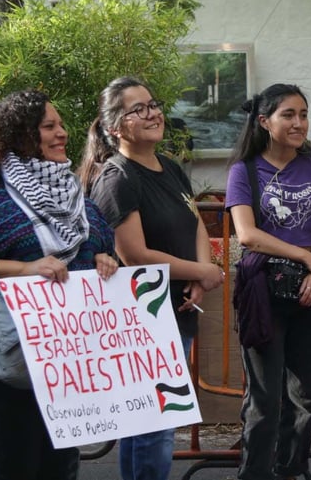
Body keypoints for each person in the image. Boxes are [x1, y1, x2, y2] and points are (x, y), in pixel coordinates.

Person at [0, 90, 118, 480]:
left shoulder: (73, 195)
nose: (62, 133)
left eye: (61, 125)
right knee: (20, 455)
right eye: (48, 127)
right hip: (10, 342)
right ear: (20, 135)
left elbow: (100, 243)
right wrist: (25, 268)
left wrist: (107, 259)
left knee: (61, 456)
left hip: (68, 344)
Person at [78, 76, 224, 480]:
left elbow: (194, 221)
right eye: (137, 109)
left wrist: (199, 273)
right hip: (143, 317)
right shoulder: (117, 177)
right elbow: (134, 254)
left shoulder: (171, 168)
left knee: (152, 425)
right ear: (114, 127)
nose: (152, 113)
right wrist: (203, 271)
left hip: (178, 308)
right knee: (153, 427)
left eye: (153, 104)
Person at [224, 83, 311, 480]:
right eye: (288, 115)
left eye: (303, 115)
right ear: (264, 121)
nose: (298, 123)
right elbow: (247, 234)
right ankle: (255, 473)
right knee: (264, 397)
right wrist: (308, 259)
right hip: (263, 291)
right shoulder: (244, 171)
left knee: (305, 396)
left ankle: (290, 470)